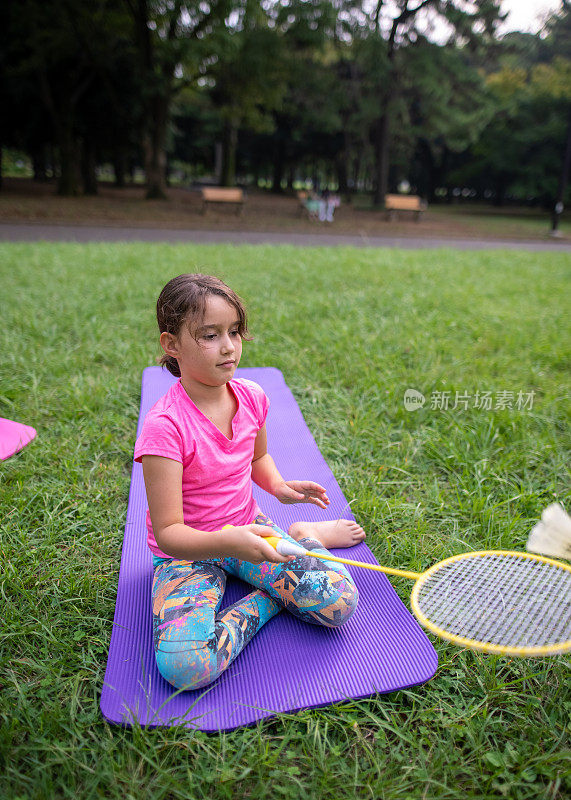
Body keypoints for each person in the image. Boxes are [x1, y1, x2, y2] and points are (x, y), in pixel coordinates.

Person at [134, 274, 366, 690]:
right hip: (187, 554)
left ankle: (304, 534)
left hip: (251, 531)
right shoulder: (164, 428)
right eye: (210, 335)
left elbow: (257, 457)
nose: (229, 346)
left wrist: (277, 487)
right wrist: (229, 544)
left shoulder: (253, 396)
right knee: (186, 669)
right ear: (172, 345)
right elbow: (169, 534)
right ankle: (266, 601)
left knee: (339, 603)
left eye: (235, 331)